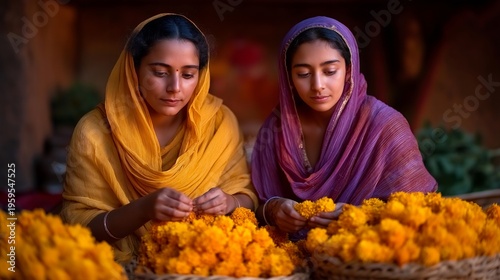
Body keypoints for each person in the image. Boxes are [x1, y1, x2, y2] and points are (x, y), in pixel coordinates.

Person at [61, 13, 258, 262]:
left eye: (188, 75)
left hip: (199, 261)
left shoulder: (218, 123)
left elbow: (247, 195)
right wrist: (143, 209)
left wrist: (229, 202)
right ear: (134, 70)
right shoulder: (95, 131)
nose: (175, 87)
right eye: (160, 72)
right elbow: (78, 227)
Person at [251, 16, 437, 236]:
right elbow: (255, 204)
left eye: (330, 71)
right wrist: (273, 209)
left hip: (366, 259)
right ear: (288, 77)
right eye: (303, 74)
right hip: (286, 262)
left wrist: (360, 215)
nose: (317, 86)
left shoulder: (384, 126)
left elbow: (420, 208)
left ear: (349, 70)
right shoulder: (277, 128)